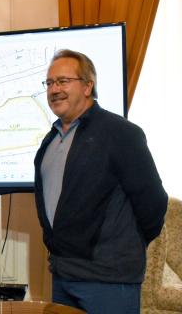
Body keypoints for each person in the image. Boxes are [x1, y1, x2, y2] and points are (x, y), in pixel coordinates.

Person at [34, 49, 168, 314]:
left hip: (109, 282)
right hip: (63, 277)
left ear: (87, 86)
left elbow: (153, 204)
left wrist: (120, 248)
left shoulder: (121, 133)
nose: (54, 89)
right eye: (49, 83)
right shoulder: (49, 141)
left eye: (63, 81)